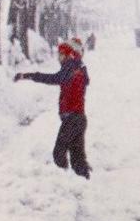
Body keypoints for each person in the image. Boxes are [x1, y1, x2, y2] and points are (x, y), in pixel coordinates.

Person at [14, 40, 91, 179]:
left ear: (68, 55)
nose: (58, 57)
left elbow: (54, 78)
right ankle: (82, 184)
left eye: (61, 54)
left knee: (59, 153)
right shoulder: (78, 67)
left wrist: (28, 75)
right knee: (77, 159)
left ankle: (61, 182)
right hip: (78, 119)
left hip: (72, 120)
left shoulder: (71, 68)